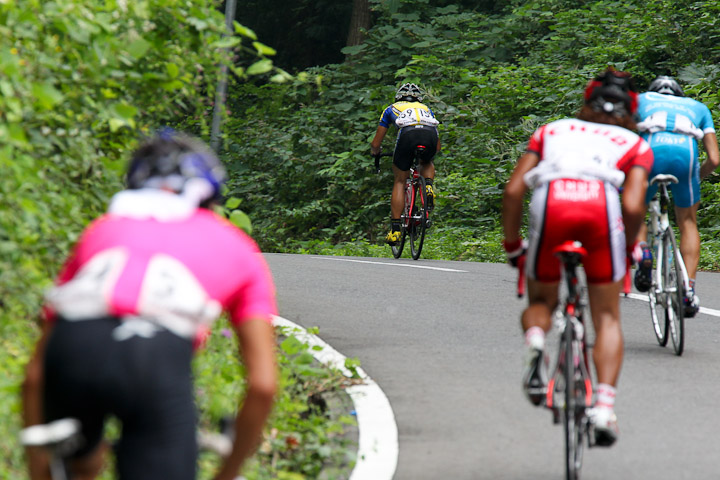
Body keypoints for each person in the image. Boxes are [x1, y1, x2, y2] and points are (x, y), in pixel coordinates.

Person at [21, 130, 278, 480]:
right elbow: (263, 384)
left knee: (80, 460)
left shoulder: (102, 230)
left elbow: (36, 373)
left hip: (73, 348)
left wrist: (38, 468)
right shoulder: (238, 246)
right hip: (154, 359)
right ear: (211, 199)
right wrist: (227, 472)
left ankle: (81, 463)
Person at [502, 69, 653, 446]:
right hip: (599, 209)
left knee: (540, 300)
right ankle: (603, 407)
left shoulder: (552, 130)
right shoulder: (635, 143)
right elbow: (633, 204)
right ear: (630, 111)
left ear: (585, 103)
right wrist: (633, 245)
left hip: (551, 202)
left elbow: (514, 189)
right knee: (606, 316)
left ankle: (537, 341)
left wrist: (512, 244)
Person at [632, 75, 719, 317]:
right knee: (688, 222)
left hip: (651, 153)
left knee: (636, 211)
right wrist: (694, 178)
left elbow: (625, 138)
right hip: (686, 157)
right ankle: (688, 290)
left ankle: (644, 254)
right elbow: (714, 159)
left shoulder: (639, 100)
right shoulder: (698, 107)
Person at [370, 82, 441, 245]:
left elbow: (376, 143)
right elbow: (437, 147)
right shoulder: (426, 109)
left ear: (398, 97)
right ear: (419, 98)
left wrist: (375, 152)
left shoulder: (391, 108)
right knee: (427, 161)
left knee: (400, 180)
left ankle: (395, 230)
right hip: (429, 134)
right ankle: (428, 186)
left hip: (408, 134)